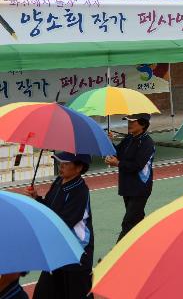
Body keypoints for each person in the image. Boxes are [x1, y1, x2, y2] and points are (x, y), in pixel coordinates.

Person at [25, 152, 94, 299]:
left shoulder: (80, 191)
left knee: (77, 294)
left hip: (77, 254)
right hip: (58, 249)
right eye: (60, 162)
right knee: (43, 293)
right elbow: (50, 207)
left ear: (79, 168)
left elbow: (64, 222)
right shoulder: (58, 182)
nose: (61, 166)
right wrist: (36, 198)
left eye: (66, 163)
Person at [104, 113, 155, 241]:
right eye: (128, 121)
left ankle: (116, 255)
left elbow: (137, 165)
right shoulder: (129, 139)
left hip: (140, 189)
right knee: (136, 221)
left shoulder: (147, 143)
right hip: (128, 186)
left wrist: (117, 163)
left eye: (133, 122)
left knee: (129, 222)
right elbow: (117, 153)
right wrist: (109, 142)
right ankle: (141, 246)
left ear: (142, 124)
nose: (129, 124)